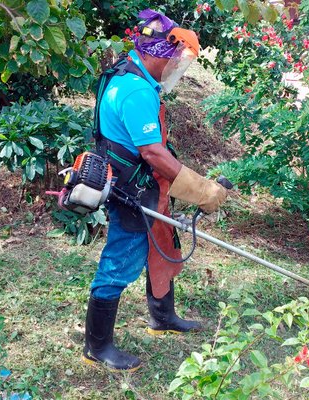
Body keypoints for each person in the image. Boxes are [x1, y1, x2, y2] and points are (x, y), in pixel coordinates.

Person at [82, 9, 228, 372]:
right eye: (174, 59)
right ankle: (97, 346)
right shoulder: (135, 91)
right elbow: (152, 152)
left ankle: (162, 317)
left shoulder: (128, 73)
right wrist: (203, 191)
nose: (176, 67)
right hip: (133, 189)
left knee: (162, 245)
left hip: (146, 184)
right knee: (120, 260)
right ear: (156, 53)